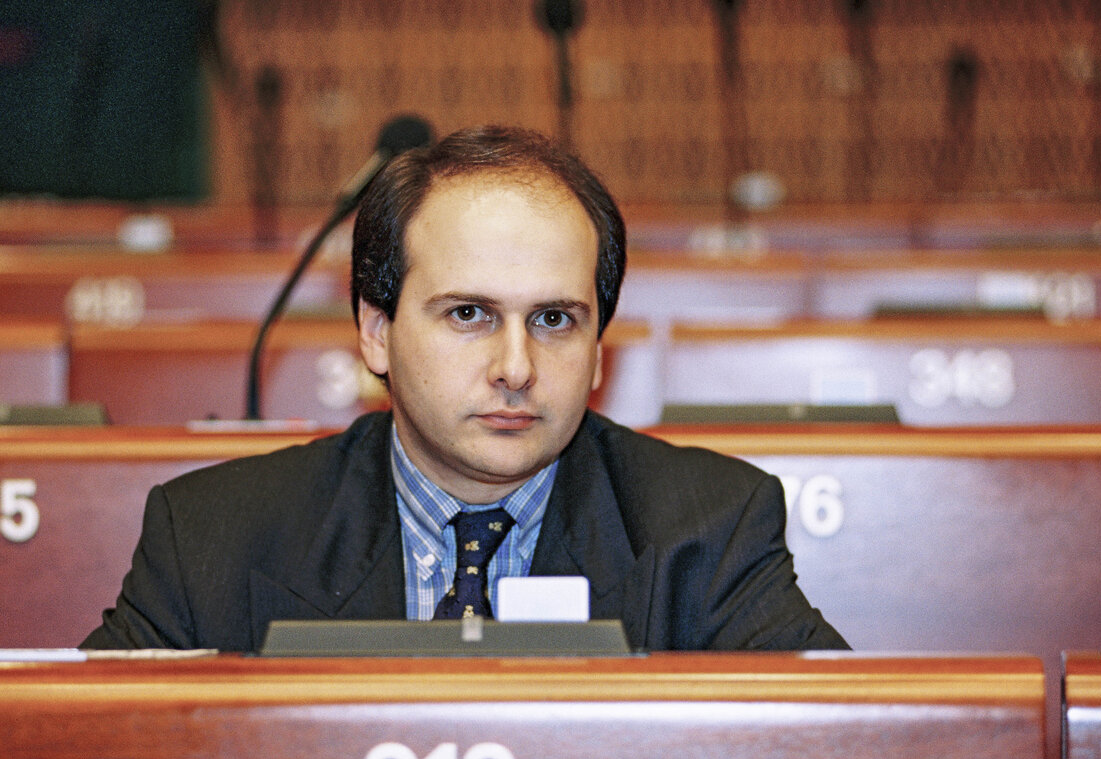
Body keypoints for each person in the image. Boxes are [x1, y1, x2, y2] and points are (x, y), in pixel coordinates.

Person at [82, 125, 847, 652]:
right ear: (375, 331)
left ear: (600, 351)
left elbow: (843, 758)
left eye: (554, 319)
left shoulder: (708, 533)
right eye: (470, 314)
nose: (516, 366)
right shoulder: (213, 538)